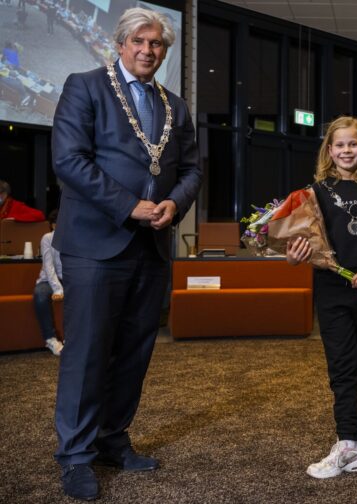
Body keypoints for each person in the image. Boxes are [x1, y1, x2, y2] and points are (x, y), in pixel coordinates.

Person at [51, 7, 201, 501]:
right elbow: (69, 160)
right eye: (139, 40)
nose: (148, 50)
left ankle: (112, 439)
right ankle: (75, 456)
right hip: (96, 243)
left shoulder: (176, 105)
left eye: (158, 44)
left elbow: (192, 170)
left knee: (134, 353)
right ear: (120, 43)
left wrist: (172, 205)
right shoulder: (85, 85)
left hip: (152, 245)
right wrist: (128, 205)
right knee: (88, 352)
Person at [286, 116, 357, 479]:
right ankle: (347, 442)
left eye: (353, 144)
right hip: (331, 289)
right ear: (329, 150)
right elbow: (297, 244)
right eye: (340, 145)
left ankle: (355, 445)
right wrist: (293, 255)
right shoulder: (315, 192)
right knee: (342, 366)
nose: (347, 150)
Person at [34, 209, 64, 356]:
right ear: (53, 225)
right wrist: (58, 289)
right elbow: (48, 266)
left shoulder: (73, 238)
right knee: (40, 294)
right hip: (48, 279)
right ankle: (51, 339)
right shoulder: (47, 238)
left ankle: (72, 338)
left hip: (68, 280)